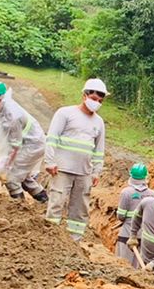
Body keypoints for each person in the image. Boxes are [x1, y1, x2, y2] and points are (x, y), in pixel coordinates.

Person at [44, 77, 107, 241]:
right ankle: (51, 240)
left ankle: (74, 242)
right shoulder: (65, 113)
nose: (97, 103)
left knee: (80, 210)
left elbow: (99, 150)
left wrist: (96, 172)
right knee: (56, 203)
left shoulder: (99, 123)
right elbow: (52, 137)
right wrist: (49, 161)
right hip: (62, 169)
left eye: (100, 100)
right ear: (84, 95)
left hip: (84, 173)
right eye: (94, 99)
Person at [0, 81, 47, 203]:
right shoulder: (4, 109)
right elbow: (7, 143)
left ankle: (19, 209)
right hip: (28, 143)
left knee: (10, 177)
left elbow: (14, 147)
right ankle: (44, 201)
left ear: (2, 100)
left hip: (32, 145)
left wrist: (5, 167)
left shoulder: (12, 116)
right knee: (22, 176)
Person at [114, 163, 151, 263]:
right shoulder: (151, 194)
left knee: (123, 264)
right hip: (144, 236)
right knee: (137, 268)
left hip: (127, 235)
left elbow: (121, 216)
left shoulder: (126, 192)